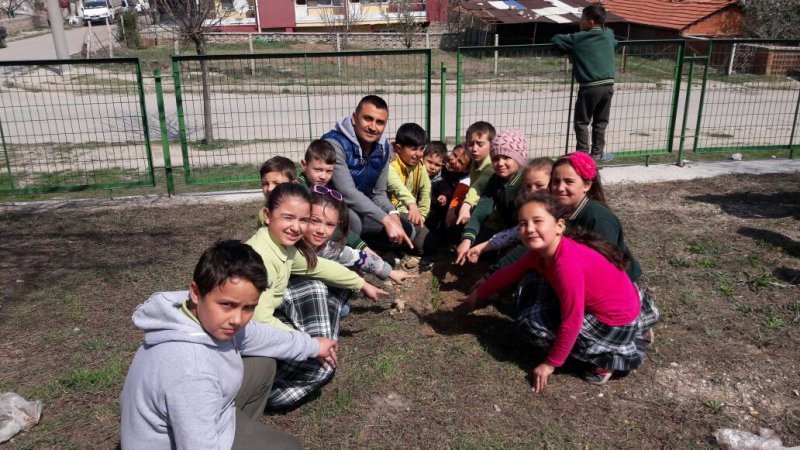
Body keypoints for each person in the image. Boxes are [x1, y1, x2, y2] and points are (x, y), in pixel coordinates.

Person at [120, 240, 339, 449]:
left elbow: (258, 335)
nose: (237, 319)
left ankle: (243, 432)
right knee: (290, 447)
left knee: (263, 365)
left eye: (248, 308)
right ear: (196, 292)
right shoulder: (192, 372)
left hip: (205, 414)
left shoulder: (190, 312)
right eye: (227, 305)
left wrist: (311, 345)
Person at [459, 192, 648, 391]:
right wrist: (479, 294)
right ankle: (631, 336)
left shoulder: (567, 265)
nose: (529, 229)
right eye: (522, 224)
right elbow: (510, 272)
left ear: (559, 226)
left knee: (532, 326)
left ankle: (606, 360)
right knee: (531, 282)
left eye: (537, 221)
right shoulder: (541, 254)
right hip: (621, 302)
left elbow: (572, 319)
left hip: (615, 321)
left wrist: (550, 364)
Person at [322, 95, 413, 249]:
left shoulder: (382, 148)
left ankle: (371, 255)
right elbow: (347, 191)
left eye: (380, 122)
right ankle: (345, 261)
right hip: (331, 206)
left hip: (362, 209)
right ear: (354, 118)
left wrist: (392, 214)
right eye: (368, 119)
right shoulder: (334, 144)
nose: (373, 127)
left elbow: (379, 193)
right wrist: (384, 219)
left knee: (406, 228)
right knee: (353, 221)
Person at [551, 4, 618, 162]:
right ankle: (597, 153)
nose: (580, 22)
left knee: (581, 121)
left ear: (591, 22)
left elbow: (557, 39)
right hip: (608, 85)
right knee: (601, 121)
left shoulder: (579, 38)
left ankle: (582, 153)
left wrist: (572, 51)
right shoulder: (608, 34)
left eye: (582, 19)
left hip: (589, 86)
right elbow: (615, 43)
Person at [455, 128, 528, 264]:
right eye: (495, 158)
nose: (500, 163)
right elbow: (482, 209)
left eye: (506, 157)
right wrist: (467, 239)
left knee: (506, 263)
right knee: (471, 243)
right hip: (506, 232)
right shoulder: (495, 179)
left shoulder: (527, 182)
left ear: (519, 158)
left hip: (526, 234)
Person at [465, 157, 554, 261]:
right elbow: (513, 233)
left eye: (539, 185)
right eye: (528, 186)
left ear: (552, 184)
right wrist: (482, 247)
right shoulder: (528, 206)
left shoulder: (554, 210)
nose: (532, 191)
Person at [297, 139, 375, 255]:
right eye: (318, 170)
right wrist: (360, 246)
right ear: (304, 165)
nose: (323, 176)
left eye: (329, 171)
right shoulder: (299, 190)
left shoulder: (325, 187)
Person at [387, 122, 434, 254]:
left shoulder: (419, 165)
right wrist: (412, 205)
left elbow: (426, 190)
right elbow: (396, 186)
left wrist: (422, 216)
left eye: (421, 149)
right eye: (413, 149)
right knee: (406, 230)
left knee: (429, 245)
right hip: (393, 213)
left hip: (412, 215)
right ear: (398, 148)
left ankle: (405, 244)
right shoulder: (392, 164)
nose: (418, 154)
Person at [454, 121, 496, 226]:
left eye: (480, 144)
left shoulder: (491, 166)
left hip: (490, 214)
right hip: (474, 204)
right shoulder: (475, 161)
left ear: (492, 145)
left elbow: (478, 187)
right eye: (470, 144)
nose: (474, 149)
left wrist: (466, 205)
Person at [257, 156, 297, 227]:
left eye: (277, 183)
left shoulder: (303, 212)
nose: (270, 189)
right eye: (265, 184)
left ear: (293, 185)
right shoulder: (263, 214)